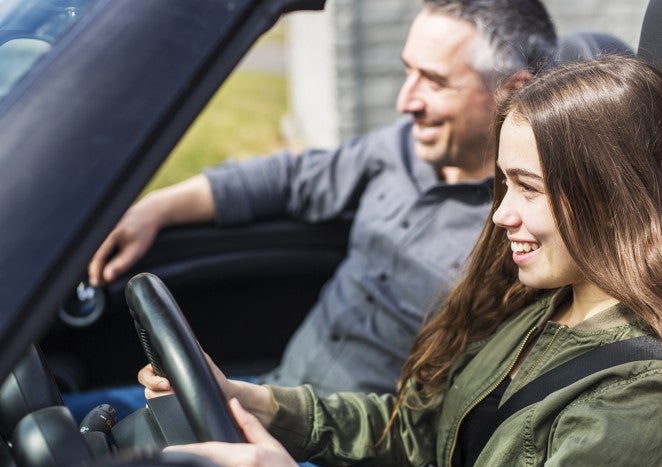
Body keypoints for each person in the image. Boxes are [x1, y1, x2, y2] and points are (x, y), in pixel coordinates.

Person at [142, 55, 662, 467]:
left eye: (527, 188)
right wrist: (252, 401)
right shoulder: (545, 306)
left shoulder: (638, 397)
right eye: (503, 185)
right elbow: (417, 431)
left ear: (614, 200)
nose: (501, 213)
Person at [83, 0, 558, 400]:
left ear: (510, 92)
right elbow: (288, 177)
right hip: (268, 393)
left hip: (348, 456)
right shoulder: (398, 148)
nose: (405, 101)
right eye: (407, 72)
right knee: (70, 420)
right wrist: (153, 209)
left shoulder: (524, 230)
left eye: (433, 81)